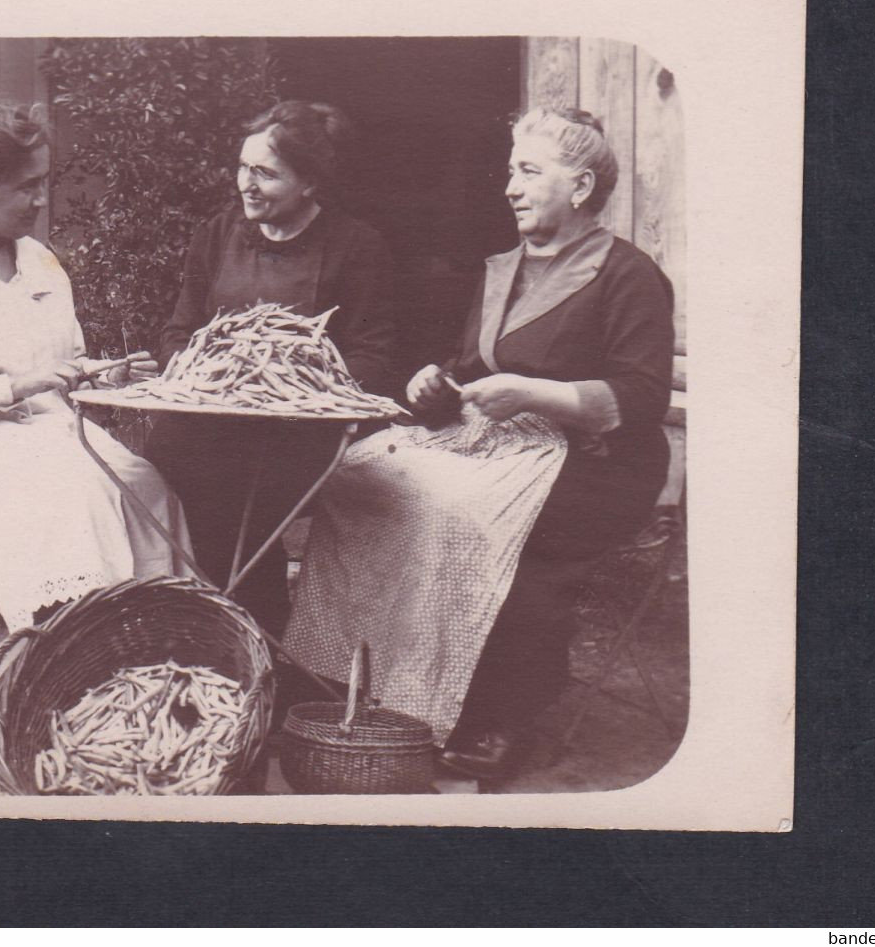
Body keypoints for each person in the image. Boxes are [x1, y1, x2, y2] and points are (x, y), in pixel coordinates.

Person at [285, 107, 675, 780]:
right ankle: (360, 680)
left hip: (595, 466)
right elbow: (474, 369)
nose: (509, 188)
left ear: (580, 188)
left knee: (464, 515)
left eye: (528, 172)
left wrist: (532, 395)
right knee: (358, 477)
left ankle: (497, 712)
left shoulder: (627, 275)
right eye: (509, 172)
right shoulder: (503, 270)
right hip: (500, 446)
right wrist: (434, 384)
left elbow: (641, 398)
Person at [0, 96, 195, 633]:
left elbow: (63, 366)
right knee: (79, 495)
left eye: (43, 182)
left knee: (147, 487)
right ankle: (76, 654)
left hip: (51, 433)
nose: (43, 200)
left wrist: (104, 373)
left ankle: (161, 646)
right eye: (27, 185)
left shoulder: (41, 263)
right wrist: (15, 387)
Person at [145, 100, 398, 637]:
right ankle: (240, 636)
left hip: (301, 431)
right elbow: (177, 333)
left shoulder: (356, 247)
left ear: (310, 183)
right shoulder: (215, 235)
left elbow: (372, 356)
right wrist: (204, 374)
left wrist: (296, 386)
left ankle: (234, 636)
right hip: (210, 421)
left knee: (238, 495)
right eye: (243, 167)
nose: (247, 184)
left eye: (266, 173)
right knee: (179, 466)